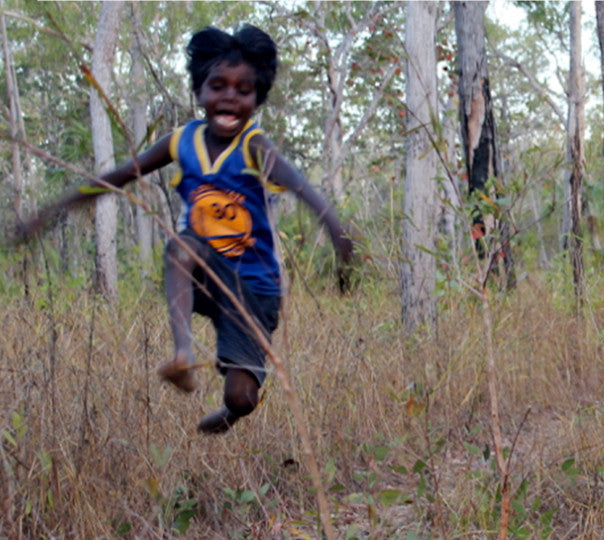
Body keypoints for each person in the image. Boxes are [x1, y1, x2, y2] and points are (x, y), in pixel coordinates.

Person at [15, 25, 353, 434]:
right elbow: (119, 176)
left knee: (242, 397)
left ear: (256, 98)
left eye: (243, 90)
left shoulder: (255, 146)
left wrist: (339, 236)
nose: (229, 96)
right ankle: (183, 353)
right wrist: (52, 210)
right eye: (218, 86)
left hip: (256, 290)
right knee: (182, 246)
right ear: (199, 91)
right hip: (206, 271)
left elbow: (306, 191)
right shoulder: (181, 141)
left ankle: (230, 413)